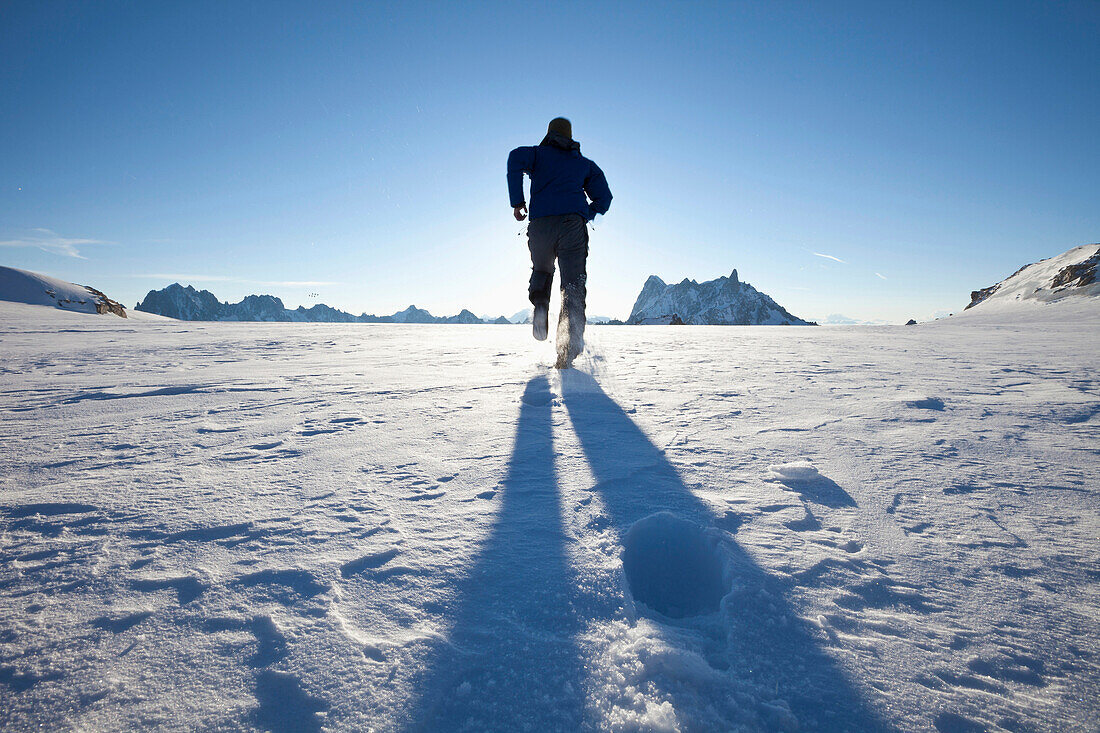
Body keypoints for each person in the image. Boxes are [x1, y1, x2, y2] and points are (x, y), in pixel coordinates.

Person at [508, 117, 612, 368]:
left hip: (541, 224)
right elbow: (605, 198)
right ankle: (566, 351)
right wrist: (585, 213)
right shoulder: (584, 165)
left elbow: (513, 158)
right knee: (573, 285)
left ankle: (541, 303)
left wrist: (517, 201)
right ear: (570, 136)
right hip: (571, 227)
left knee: (542, 270)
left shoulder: (536, 155)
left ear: (549, 134)